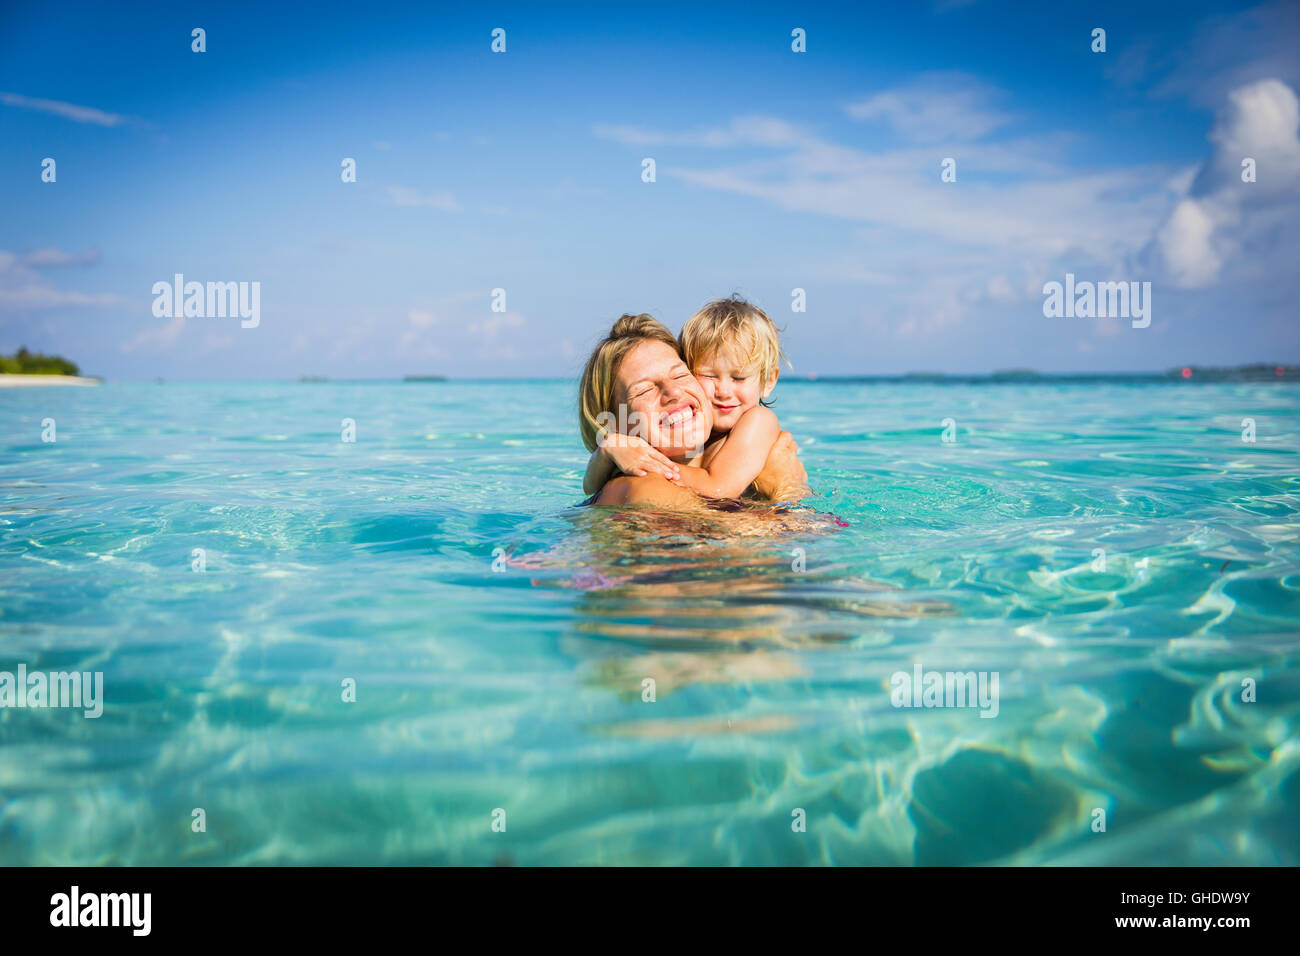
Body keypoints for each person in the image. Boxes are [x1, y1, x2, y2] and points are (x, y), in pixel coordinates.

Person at [577, 313, 807, 509]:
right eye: (644, 390)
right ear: (616, 425)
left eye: (680, 374)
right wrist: (787, 488)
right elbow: (727, 546)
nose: (674, 392)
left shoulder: (750, 429)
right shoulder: (641, 488)